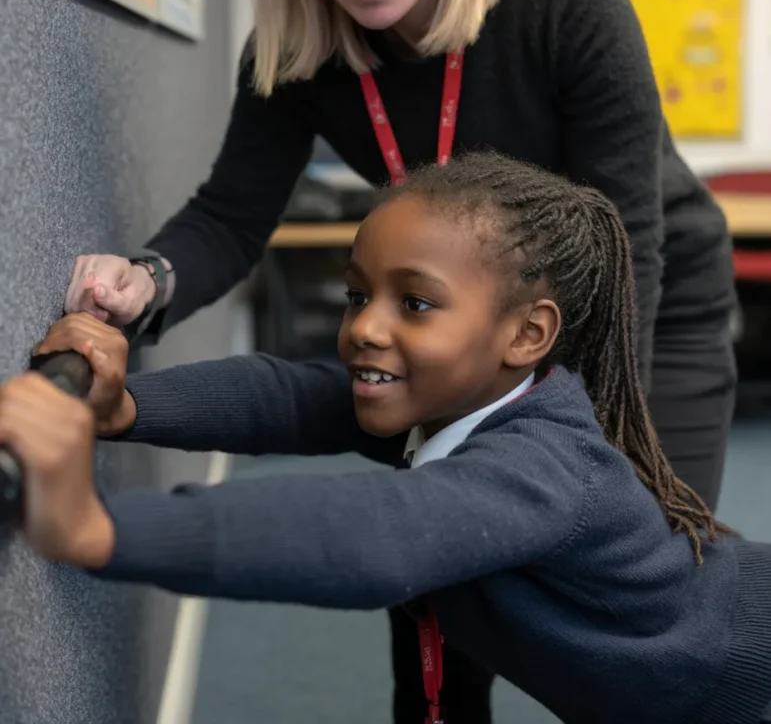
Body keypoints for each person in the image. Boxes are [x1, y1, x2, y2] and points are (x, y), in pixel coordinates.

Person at [59, 0, 737, 724]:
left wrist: (584, 455)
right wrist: (148, 279)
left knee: (634, 605)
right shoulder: (296, 51)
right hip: (462, 314)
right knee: (437, 585)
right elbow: (229, 214)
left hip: (644, 308)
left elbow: (627, 241)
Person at [2, 153, 769, 724]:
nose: (365, 328)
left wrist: (99, 527)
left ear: (526, 333)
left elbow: (377, 536)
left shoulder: (540, 465)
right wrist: (121, 406)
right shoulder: (449, 398)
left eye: (415, 303)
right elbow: (289, 397)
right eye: (358, 295)